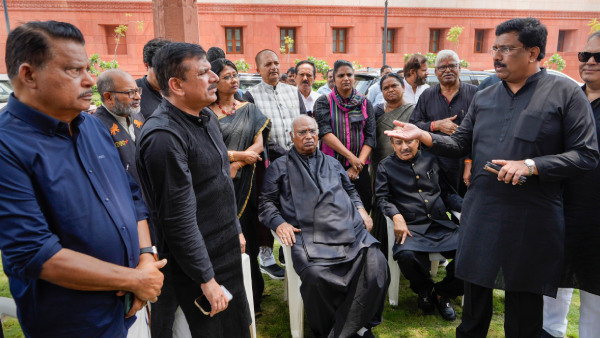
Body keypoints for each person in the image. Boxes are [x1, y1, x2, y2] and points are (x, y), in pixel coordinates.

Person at [386, 18, 599, 337]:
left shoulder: (564, 93)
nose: (496, 55)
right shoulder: (485, 94)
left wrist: (531, 165)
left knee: (523, 314)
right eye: (494, 48)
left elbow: (587, 154)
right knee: (473, 308)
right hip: (482, 212)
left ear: (532, 52)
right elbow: (460, 143)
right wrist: (424, 136)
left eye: (506, 48)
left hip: (532, 217)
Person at [0, 20, 166, 337]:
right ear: (28, 75)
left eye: (87, 69)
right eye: (74, 71)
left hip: (127, 307)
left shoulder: (91, 127)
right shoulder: (7, 146)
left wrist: (145, 258)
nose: (90, 80)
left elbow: (131, 197)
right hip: (72, 322)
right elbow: (33, 253)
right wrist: (132, 279)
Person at [136, 42, 251, 337]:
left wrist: (235, 227)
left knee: (236, 327)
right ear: (176, 84)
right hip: (194, 268)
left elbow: (219, 182)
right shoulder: (164, 137)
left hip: (224, 249)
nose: (214, 77)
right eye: (203, 72)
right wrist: (206, 279)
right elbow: (178, 218)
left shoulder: (205, 116)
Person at [258, 115, 389, 338]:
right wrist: (279, 223)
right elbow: (266, 202)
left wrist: (360, 209)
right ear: (292, 136)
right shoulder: (279, 166)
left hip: (349, 230)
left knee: (377, 265)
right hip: (307, 235)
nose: (308, 136)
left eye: (312, 131)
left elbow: (350, 190)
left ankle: (354, 325)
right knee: (316, 277)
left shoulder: (333, 162)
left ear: (318, 135)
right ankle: (343, 329)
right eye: (302, 132)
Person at [542, 31, 600, 338]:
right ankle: (551, 332)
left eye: (598, 58)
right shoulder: (569, 100)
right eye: (584, 56)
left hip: (596, 214)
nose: (589, 62)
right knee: (554, 281)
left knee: (595, 290)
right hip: (560, 206)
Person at [375, 129, 463, 321]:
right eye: (398, 143)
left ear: (418, 141)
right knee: (406, 256)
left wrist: (464, 210)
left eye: (409, 141)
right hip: (412, 228)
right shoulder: (385, 166)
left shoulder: (432, 159)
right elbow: (382, 198)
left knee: (474, 251)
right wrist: (396, 215)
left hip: (441, 225)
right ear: (392, 144)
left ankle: (444, 292)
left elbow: (447, 192)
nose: (404, 147)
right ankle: (424, 289)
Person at [208, 58, 271, 316]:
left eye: (235, 75)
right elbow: (210, 150)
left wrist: (242, 160)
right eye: (227, 77)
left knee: (251, 243)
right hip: (219, 187)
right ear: (215, 81)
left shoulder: (249, 109)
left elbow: (260, 143)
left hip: (248, 185)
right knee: (228, 245)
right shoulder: (207, 114)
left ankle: (254, 296)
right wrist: (235, 158)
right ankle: (232, 299)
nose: (234, 80)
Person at [244, 49, 307, 279]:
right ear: (258, 69)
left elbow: (302, 121)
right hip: (268, 162)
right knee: (268, 203)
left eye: (276, 63)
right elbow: (254, 131)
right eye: (268, 64)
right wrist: (281, 152)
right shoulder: (250, 95)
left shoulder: (293, 91)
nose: (274, 67)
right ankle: (266, 254)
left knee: (294, 203)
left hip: (298, 160)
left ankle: (293, 249)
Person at [409, 50, 478, 195]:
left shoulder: (475, 94)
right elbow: (414, 124)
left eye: (452, 66)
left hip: (464, 164)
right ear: (435, 71)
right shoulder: (427, 95)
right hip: (433, 162)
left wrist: (469, 162)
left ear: (459, 68)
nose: (447, 70)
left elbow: (480, 132)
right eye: (442, 67)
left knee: (463, 207)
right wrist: (436, 125)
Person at [314, 59, 376, 212]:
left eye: (349, 74)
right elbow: (325, 132)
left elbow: (370, 136)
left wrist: (358, 165)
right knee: (334, 211)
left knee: (363, 208)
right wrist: (350, 157)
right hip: (331, 167)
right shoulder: (324, 102)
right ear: (334, 79)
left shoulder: (365, 103)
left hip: (360, 167)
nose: (346, 78)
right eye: (341, 75)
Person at [369, 73, 414, 254]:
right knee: (381, 205)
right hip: (380, 169)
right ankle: (381, 253)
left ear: (403, 87)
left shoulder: (414, 110)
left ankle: (407, 248)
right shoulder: (376, 111)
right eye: (385, 88)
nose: (390, 90)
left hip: (407, 171)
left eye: (394, 85)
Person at [95, 69, 144, 185]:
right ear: (108, 97)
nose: (138, 97)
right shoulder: (96, 126)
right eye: (130, 92)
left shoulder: (137, 115)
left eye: (138, 91)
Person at [136, 38, 171, 119]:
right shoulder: (134, 93)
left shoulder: (180, 90)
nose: (166, 75)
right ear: (147, 66)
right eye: (160, 70)